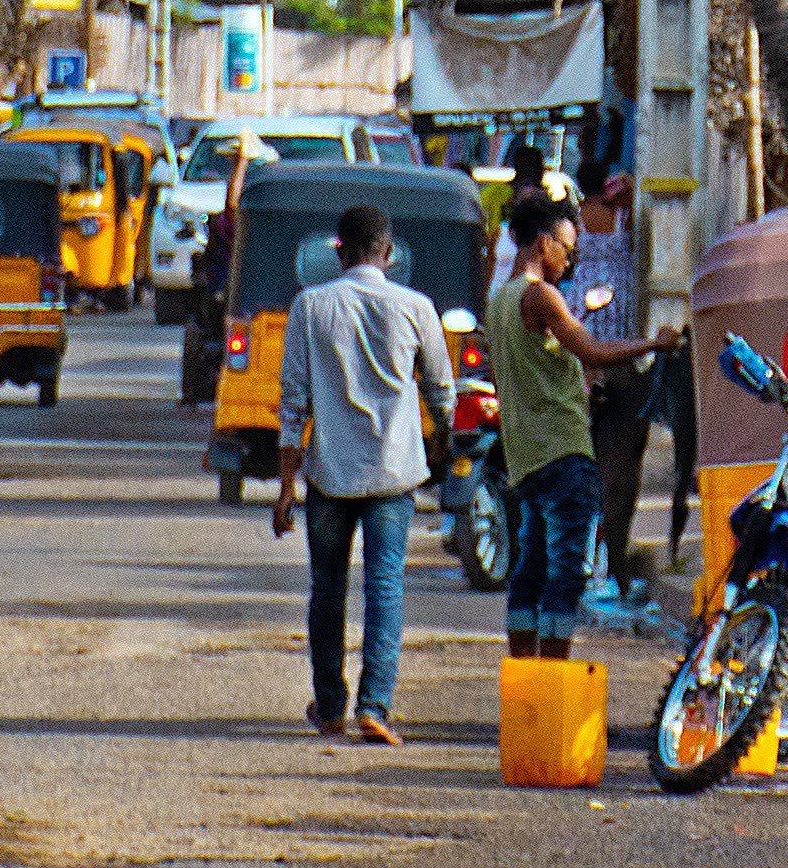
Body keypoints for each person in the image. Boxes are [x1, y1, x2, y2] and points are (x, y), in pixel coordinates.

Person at [270, 204, 462, 745]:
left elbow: (293, 405)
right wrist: (445, 441)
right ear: (388, 251)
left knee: (327, 591)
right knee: (385, 588)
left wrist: (286, 487)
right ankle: (375, 705)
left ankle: (331, 705)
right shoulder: (416, 307)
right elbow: (442, 393)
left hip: (329, 476)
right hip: (394, 476)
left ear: (339, 250)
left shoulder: (311, 307)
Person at [488, 194, 649, 665]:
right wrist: (652, 343)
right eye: (566, 246)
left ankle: (524, 677)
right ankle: (554, 676)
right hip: (563, 452)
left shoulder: (499, 300)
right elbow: (592, 351)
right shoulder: (540, 295)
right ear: (543, 242)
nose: (569, 257)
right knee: (566, 575)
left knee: (530, 570)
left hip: (526, 456)